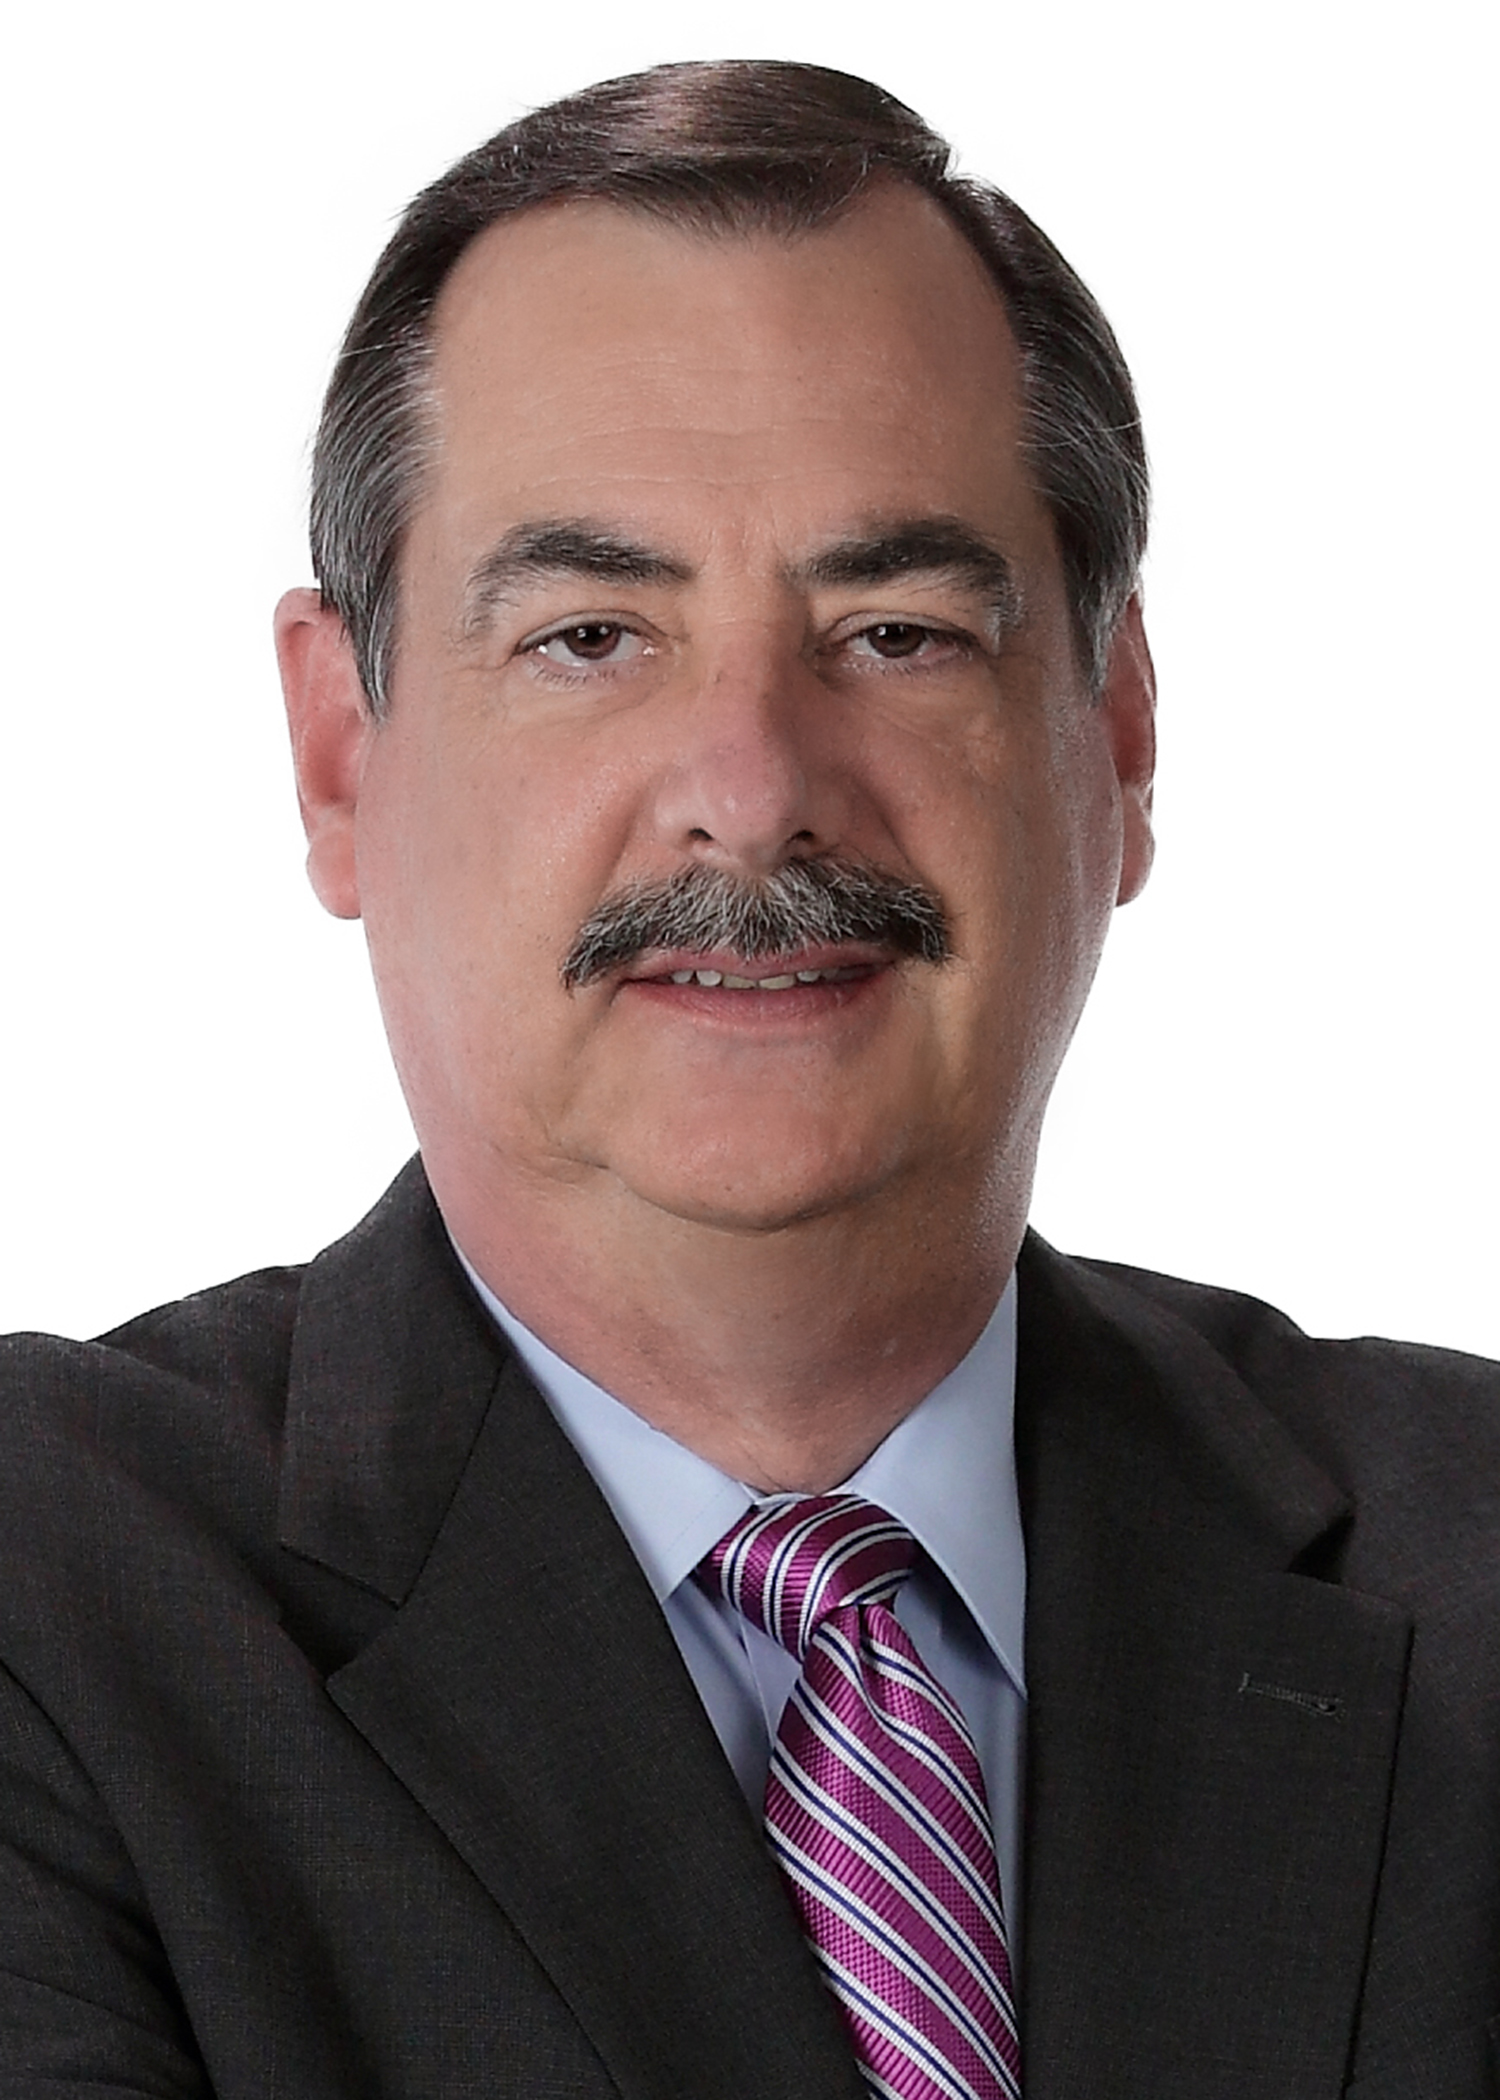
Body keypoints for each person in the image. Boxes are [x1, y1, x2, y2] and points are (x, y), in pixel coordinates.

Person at [0, 57, 1495, 2100]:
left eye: (897, 632)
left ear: (1120, 736)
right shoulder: (52, 1607)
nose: (753, 788)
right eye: (591, 636)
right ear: (343, 757)